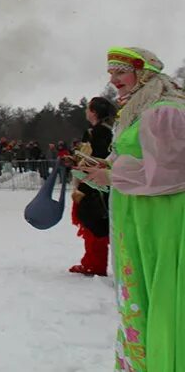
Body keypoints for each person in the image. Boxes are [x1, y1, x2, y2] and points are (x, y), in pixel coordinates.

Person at [82, 47, 185, 371]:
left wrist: (112, 175)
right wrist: (100, 168)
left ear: (144, 74)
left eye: (120, 72)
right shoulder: (141, 110)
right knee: (138, 287)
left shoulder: (165, 112)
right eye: (111, 73)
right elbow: (136, 161)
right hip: (139, 214)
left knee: (160, 290)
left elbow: (172, 171)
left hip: (161, 217)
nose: (113, 80)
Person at [66, 96, 115, 276]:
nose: (85, 111)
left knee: (93, 223)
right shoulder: (106, 131)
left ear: (93, 112)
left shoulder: (97, 133)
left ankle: (95, 264)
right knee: (94, 223)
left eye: (88, 108)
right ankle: (92, 261)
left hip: (94, 183)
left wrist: (81, 164)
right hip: (96, 181)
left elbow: (96, 157)